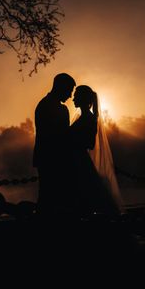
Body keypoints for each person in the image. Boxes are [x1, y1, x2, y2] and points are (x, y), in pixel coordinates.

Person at [69, 85, 124, 216]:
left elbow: (91, 143)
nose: (73, 99)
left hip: (80, 161)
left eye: (76, 96)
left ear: (83, 99)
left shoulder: (89, 119)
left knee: (87, 194)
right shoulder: (83, 118)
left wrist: (74, 142)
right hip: (77, 159)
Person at [33, 73, 76, 216]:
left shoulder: (42, 104)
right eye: (69, 90)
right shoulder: (60, 109)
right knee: (53, 198)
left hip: (44, 157)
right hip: (56, 159)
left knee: (46, 196)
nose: (70, 96)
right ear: (61, 87)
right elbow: (64, 137)